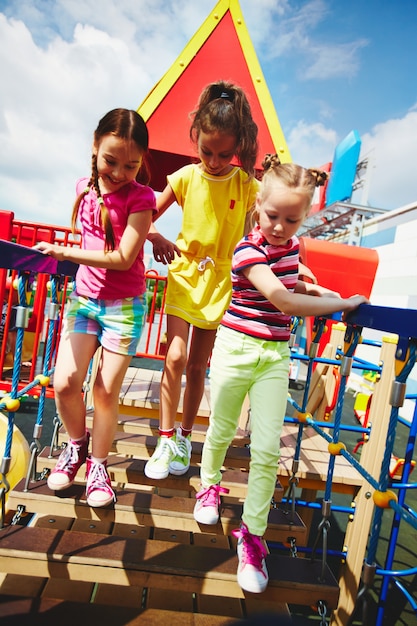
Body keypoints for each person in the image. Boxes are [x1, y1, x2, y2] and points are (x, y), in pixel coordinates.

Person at [193, 154, 370, 594]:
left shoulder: (291, 249)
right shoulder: (247, 250)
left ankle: (251, 537)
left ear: (305, 217)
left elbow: (295, 283)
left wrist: (322, 289)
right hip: (235, 348)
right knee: (222, 429)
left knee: (268, 449)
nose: (279, 226)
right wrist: (341, 303)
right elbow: (282, 299)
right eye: (273, 215)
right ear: (258, 206)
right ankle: (209, 486)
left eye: (291, 220)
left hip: (273, 356)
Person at [34, 108, 156, 507]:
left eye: (131, 165)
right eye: (111, 161)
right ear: (94, 145)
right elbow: (106, 222)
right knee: (65, 382)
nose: (120, 172)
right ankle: (76, 445)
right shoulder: (82, 188)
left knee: (104, 391)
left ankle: (99, 467)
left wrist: (63, 252)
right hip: (85, 301)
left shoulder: (142, 196)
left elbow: (122, 257)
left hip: (124, 305)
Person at [144, 80, 260, 480]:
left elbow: (274, 227)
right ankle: (164, 436)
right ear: (196, 140)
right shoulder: (184, 177)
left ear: (239, 147)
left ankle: (184, 436)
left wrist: (299, 267)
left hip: (222, 282)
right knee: (175, 357)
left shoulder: (247, 186)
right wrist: (154, 236)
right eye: (206, 152)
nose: (213, 160)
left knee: (198, 366)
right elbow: (142, 215)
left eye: (224, 154)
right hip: (184, 272)